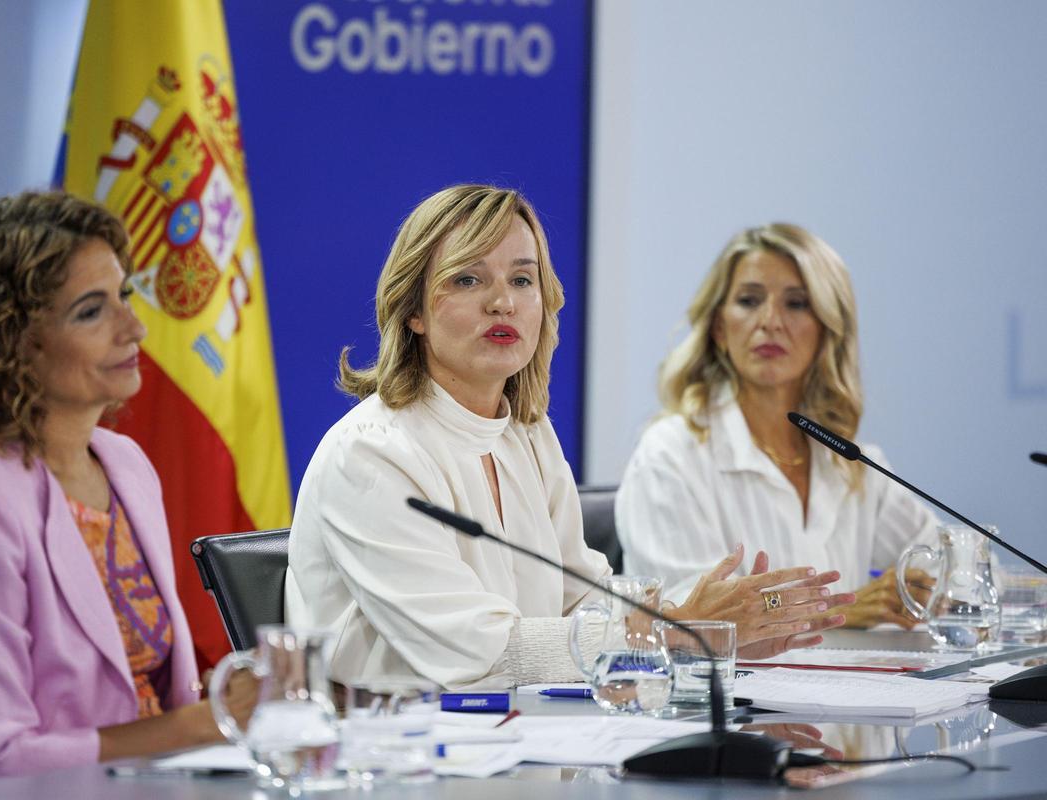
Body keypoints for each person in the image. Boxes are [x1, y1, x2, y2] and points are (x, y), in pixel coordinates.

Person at [285, 186, 848, 692]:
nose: (502, 301)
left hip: (517, 738)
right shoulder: (372, 454)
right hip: (392, 759)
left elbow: (583, 594)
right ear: (413, 313)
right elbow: (470, 651)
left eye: (522, 279)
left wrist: (712, 634)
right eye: (468, 279)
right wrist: (673, 633)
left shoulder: (525, 431)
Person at [0, 191, 254, 780]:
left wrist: (235, 696)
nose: (134, 327)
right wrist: (206, 722)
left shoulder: (126, 465)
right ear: (8, 343)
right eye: (92, 311)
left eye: (125, 297)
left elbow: (151, 697)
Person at [615, 223, 937, 629]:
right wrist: (839, 612)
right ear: (719, 328)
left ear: (826, 328)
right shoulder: (670, 453)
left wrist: (923, 591)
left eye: (797, 303)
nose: (770, 321)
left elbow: (953, 566)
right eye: (749, 301)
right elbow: (691, 622)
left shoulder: (851, 463)